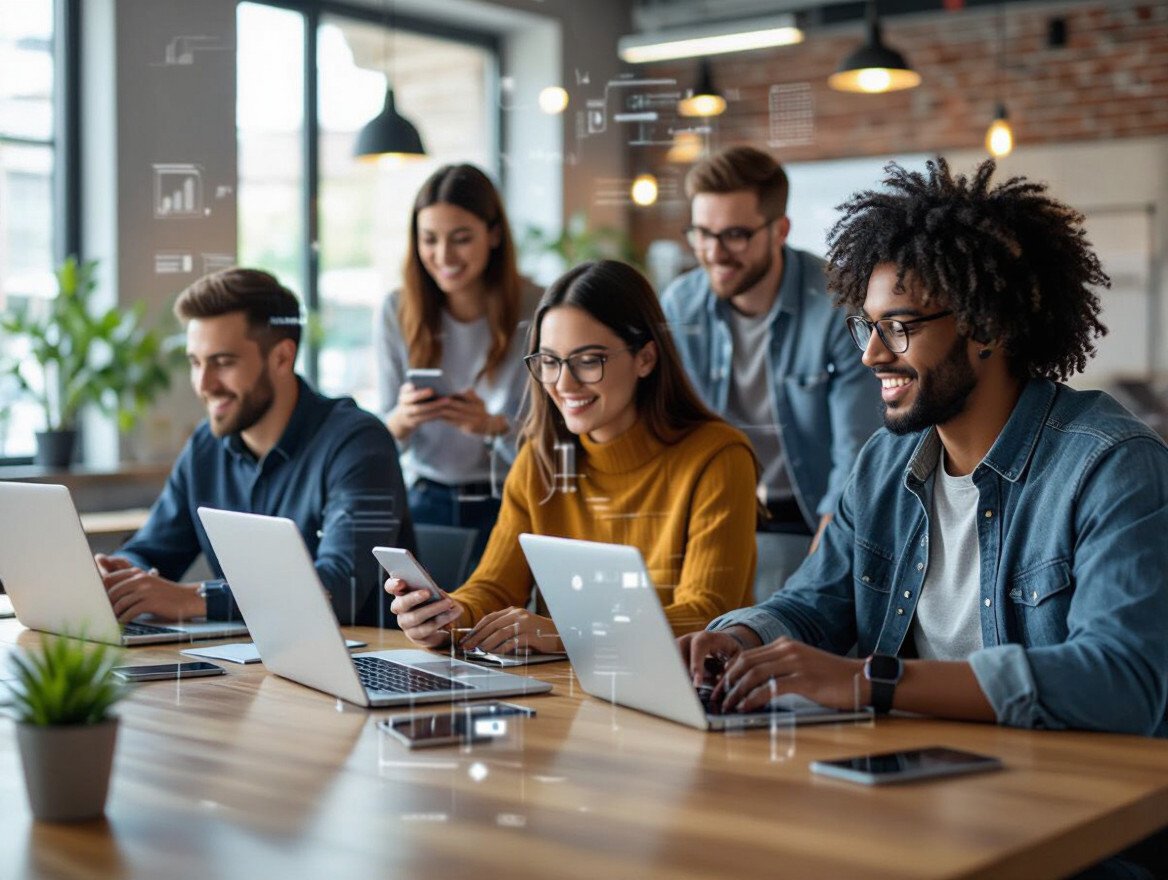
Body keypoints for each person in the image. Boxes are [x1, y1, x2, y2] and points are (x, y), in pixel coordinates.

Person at [680, 158, 1168, 740]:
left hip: (1070, 796)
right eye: (868, 326)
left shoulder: (1111, 465)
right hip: (920, 774)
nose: (872, 356)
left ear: (985, 327)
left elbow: (1124, 680)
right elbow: (814, 604)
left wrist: (872, 681)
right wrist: (738, 639)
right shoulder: (884, 465)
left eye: (900, 327)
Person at [387, 260, 759, 655]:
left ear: (646, 358)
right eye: (549, 362)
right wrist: (446, 617)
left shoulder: (718, 457)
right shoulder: (541, 460)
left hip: (683, 693)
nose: (564, 384)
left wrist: (571, 632)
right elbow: (494, 587)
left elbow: (708, 613)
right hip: (568, 694)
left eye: (588, 360)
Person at [97, 268, 414, 628]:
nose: (204, 384)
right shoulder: (206, 446)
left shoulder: (359, 444)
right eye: (195, 363)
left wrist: (193, 599)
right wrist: (118, 573)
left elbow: (339, 591)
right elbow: (152, 549)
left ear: (281, 357)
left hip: (360, 667)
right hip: (248, 661)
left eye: (223, 362)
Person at [661, 145, 881, 603]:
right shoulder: (679, 307)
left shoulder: (837, 307)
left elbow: (855, 457)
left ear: (779, 230)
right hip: (711, 515)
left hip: (809, 518)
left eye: (735, 235)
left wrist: (821, 581)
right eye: (702, 233)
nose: (714, 254)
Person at [377, 164, 540, 561]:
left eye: (461, 238)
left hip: (508, 499)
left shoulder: (538, 307)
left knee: (493, 622)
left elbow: (553, 439)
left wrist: (491, 426)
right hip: (426, 500)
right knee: (419, 619)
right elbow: (381, 435)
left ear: (495, 235)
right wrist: (404, 417)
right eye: (428, 239)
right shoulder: (398, 309)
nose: (443, 256)